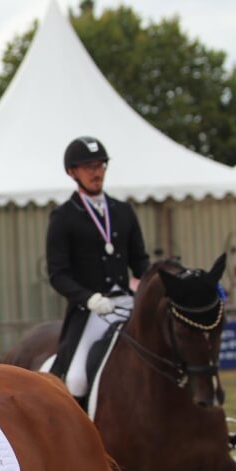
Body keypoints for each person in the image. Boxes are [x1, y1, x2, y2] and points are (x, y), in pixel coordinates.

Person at [46, 136, 150, 403]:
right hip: (92, 310)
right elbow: (58, 274)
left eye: (100, 165)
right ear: (72, 172)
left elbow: (140, 262)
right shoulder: (63, 217)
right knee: (76, 379)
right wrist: (88, 298)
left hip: (127, 304)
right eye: (88, 167)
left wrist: (151, 283)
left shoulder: (123, 211)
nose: (97, 172)